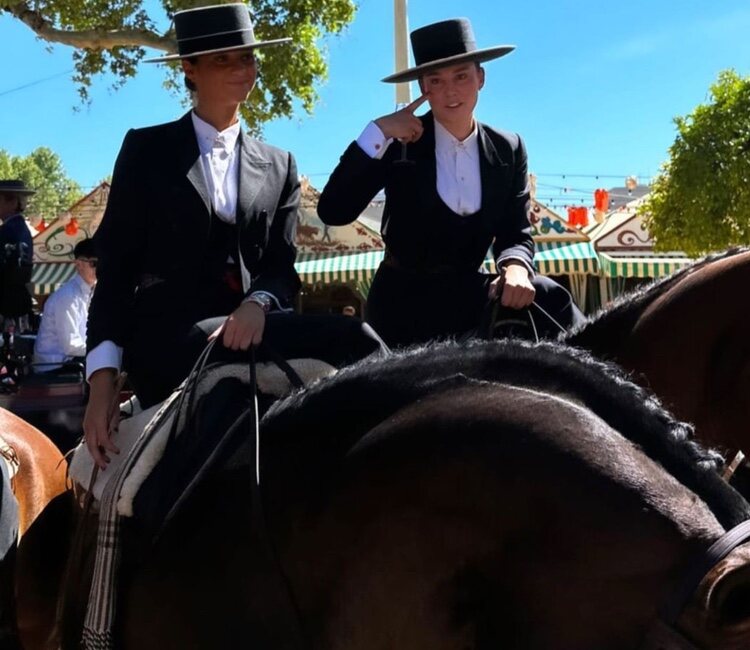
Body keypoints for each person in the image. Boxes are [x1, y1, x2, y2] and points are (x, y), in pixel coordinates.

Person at [318, 19, 584, 348]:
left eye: (461, 76)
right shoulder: (399, 140)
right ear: (423, 88)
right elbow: (333, 210)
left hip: (470, 297)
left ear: (481, 78)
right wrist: (378, 131)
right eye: (436, 81)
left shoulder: (508, 148)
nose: (450, 90)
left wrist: (515, 267)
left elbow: (515, 231)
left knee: (549, 295)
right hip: (402, 305)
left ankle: (611, 381)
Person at [33, 238, 97, 373]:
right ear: (79, 264)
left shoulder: (89, 292)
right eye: (94, 263)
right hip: (54, 367)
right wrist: (102, 349)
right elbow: (71, 345)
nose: (99, 268)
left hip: (71, 362)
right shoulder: (67, 296)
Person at [0, 180, 34, 334]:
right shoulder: (22, 230)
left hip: (6, 306)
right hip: (19, 304)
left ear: (13, 202)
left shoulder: (7, 232)